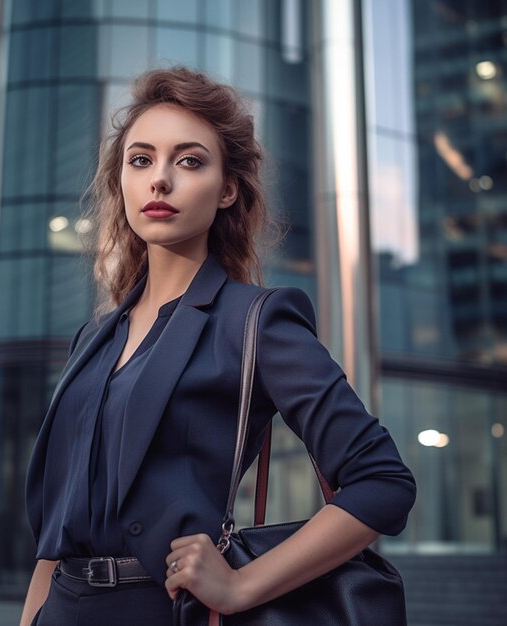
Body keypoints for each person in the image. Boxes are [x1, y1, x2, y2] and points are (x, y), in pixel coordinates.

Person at [20, 67, 416, 626]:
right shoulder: (92, 338)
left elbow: (382, 482)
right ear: (122, 185)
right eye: (141, 160)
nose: (160, 180)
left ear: (227, 189)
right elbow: (56, 534)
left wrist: (241, 586)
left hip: (164, 612)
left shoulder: (254, 320)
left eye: (189, 161)